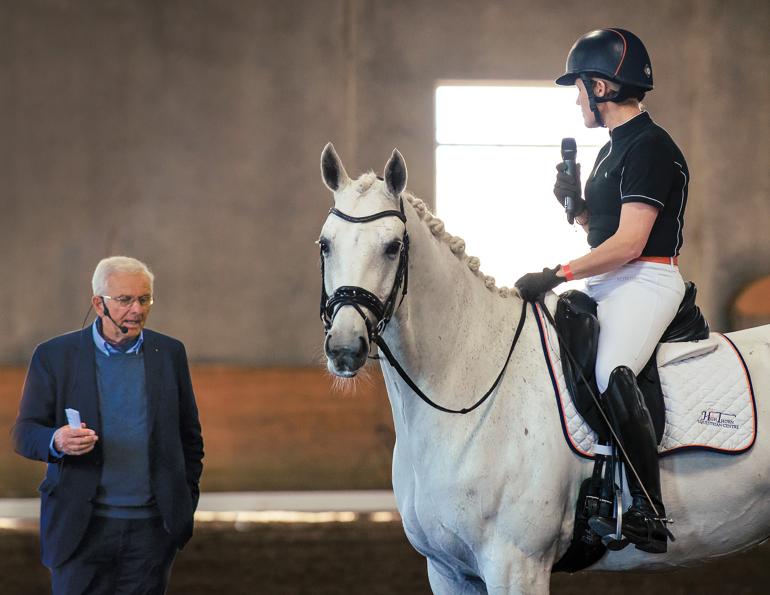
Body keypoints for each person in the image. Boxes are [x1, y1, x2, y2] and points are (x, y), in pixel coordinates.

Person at [515, 28, 688, 553]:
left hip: (648, 279)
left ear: (604, 87)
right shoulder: (612, 150)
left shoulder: (652, 146)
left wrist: (558, 272)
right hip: (610, 277)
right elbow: (607, 231)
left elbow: (633, 243)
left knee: (611, 367)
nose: (577, 98)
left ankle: (648, 507)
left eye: (580, 86)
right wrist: (576, 208)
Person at [12, 256, 204, 593]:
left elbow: (190, 439)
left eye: (144, 299)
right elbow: (25, 433)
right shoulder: (55, 356)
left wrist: (182, 503)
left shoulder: (170, 352)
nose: (137, 310)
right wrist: (56, 440)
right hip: (80, 530)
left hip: (151, 533)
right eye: (125, 299)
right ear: (98, 304)